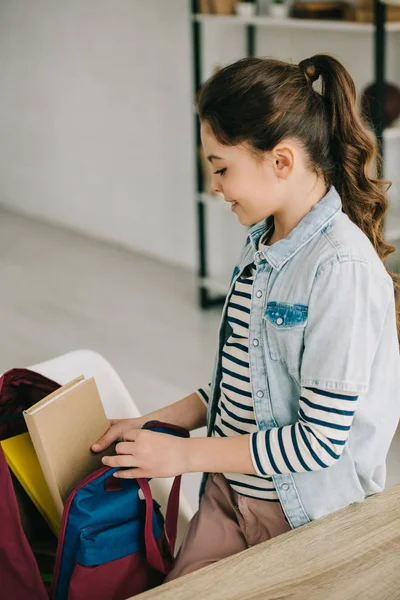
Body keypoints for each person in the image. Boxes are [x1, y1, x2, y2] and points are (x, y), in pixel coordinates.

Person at [92, 54, 400, 581]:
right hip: (230, 493)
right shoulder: (262, 243)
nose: (215, 186)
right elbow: (244, 381)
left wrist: (185, 457)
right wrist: (158, 421)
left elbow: (318, 440)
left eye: (220, 167)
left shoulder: (340, 269)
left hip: (302, 517)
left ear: (280, 161)